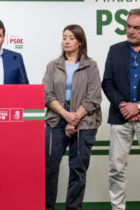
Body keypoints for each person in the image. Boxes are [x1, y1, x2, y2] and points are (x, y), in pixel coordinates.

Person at [42, 24, 102, 210]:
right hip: (56, 118)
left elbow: (94, 97)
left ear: (80, 42)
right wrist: (66, 115)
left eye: (71, 38)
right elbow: (46, 94)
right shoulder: (53, 65)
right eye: (64, 37)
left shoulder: (90, 65)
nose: (66, 41)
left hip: (84, 121)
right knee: (49, 169)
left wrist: (74, 118)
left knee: (78, 170)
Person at [102, 8, 140, 210]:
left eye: (136, 28)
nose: (131, 31)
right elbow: (107, 82)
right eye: (129, 26)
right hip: (120, 116)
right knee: (116, 168)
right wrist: (123, 105)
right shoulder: (115, 50)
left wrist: (138, 107)